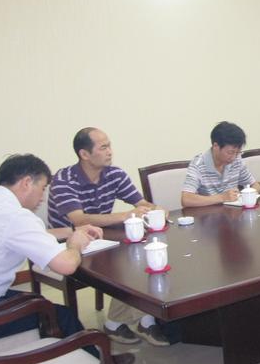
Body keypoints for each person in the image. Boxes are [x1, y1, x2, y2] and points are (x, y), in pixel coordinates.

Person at [0, 155, 120, 363]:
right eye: (43, 188)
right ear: (27, 182)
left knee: (37, 301)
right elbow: (66, 265)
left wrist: (72, 231)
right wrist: (74, 244)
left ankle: (67, 359)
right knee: (60, 315)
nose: (43, 197)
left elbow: (21, 235)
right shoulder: (15, 216)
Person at [49, 127, 170, 346]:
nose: (110, 151)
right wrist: (125, 215)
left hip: (100, 239)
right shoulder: (64, 179)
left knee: (141, 254)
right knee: (129, 264)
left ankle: (127, 321)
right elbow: (78, 220)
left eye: (109, 145)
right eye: (103, 147)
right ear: (84, 154)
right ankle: (138, 320)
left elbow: (141, 203)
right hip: (67, 245)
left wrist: (156, 209)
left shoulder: (114, 174)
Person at [182, 121, 260, 207]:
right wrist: (222, 197)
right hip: (208, 213)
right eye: (230, 152)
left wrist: (250, 195)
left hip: (233, 213)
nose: (234, 157)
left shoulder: (237, 160)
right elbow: (186, 199)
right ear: (216, 146)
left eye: (238, 152)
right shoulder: (198, 164)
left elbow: (255, 184)